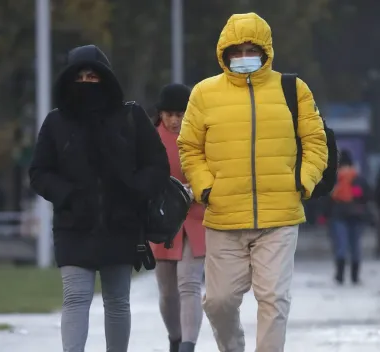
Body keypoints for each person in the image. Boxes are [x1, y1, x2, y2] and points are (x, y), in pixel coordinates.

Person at [177, 13, 328, 352]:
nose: (244, 56)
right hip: (224, 216)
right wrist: (205, 188)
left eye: (251, 48)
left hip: (280, 216)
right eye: (237, 49)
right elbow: (189, 146)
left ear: (265, 50)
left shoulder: (294, 89)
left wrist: (304, 181)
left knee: (274, 299)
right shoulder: (204, 93)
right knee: (219, 301)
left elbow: (316, 140)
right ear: (224, 52)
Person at [29, 44, 170, 352]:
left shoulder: (130, 116)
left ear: (106, 78)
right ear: (68, 80)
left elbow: (157, 165)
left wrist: (135, 189)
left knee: (117, 300)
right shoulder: (56, 122)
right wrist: (67, 195)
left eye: (93, 76)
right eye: (79, 76)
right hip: (73, 225)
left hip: (121, 224)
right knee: (75, 297)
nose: (86, 82)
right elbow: (39, 172)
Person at [151, 84, 206, 352]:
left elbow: (214, 171)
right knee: (167, 290)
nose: (174, 120)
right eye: (169, 114)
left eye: (180, 114)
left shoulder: (203, 136)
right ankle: (175, 337)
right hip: (163, 220)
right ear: (160, 114)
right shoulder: (150, 139)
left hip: (197, 217)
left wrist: (197, 189)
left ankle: (188, 344)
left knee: (189, 282)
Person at [329, 150, 370, 284]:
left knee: (341, 245)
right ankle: (354, 277)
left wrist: (323, 215)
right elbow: (366, 196)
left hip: (339, 215)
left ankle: (340, 276)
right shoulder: (357, 176)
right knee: (355, 246)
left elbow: (328, 199)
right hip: (356, 215)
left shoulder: (336, 177)